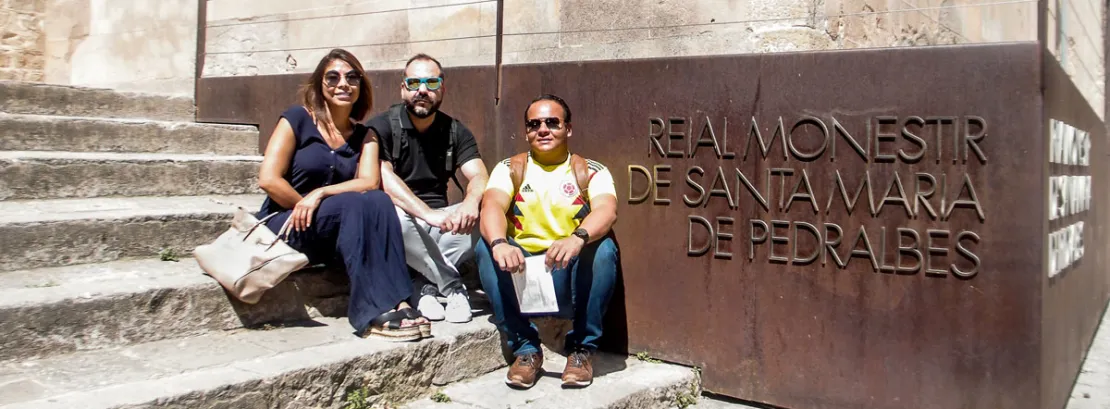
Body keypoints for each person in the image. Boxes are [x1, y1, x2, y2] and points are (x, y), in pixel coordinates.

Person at [256, 49, 429, 342]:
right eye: (333, 77)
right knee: (354, 203)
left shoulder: (366, 135)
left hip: (335, 232)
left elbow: (369, 182)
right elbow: (269, 180)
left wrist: (320, 193)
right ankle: (371, 312)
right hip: (287, 222)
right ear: (319, 84)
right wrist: (304, 204)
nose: (343, 84)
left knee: (378, 199)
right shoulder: (297, 119)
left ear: (361, 86)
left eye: (352, 77)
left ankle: (400, 300)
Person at [476, 94, 620, 389]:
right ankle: (525, 350)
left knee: (604, 249)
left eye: (552, 123)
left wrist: (577, 238)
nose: (543, 130)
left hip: (566, 274)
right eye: (534, 124)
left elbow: (607, 211)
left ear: (568, 129)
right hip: (523, 273)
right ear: (526, 132)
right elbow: (491, 206)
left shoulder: (591, 171)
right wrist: (500, 243)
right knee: (486, 246)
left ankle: (581, 351)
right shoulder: (510, 168)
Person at [366, 54, 489, 324]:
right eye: (414, 83)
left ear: (442, 89)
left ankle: (423, 286)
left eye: (431, 83)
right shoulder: (382, 126)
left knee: (489, 211)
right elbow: (384, 177)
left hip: (441, 224)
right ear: (403, 89)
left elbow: (479, 175)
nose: (422, 90)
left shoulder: (455, 131)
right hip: (402, 222)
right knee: (391, 213)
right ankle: (453, 286)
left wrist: (470, 203)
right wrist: (425, 213)